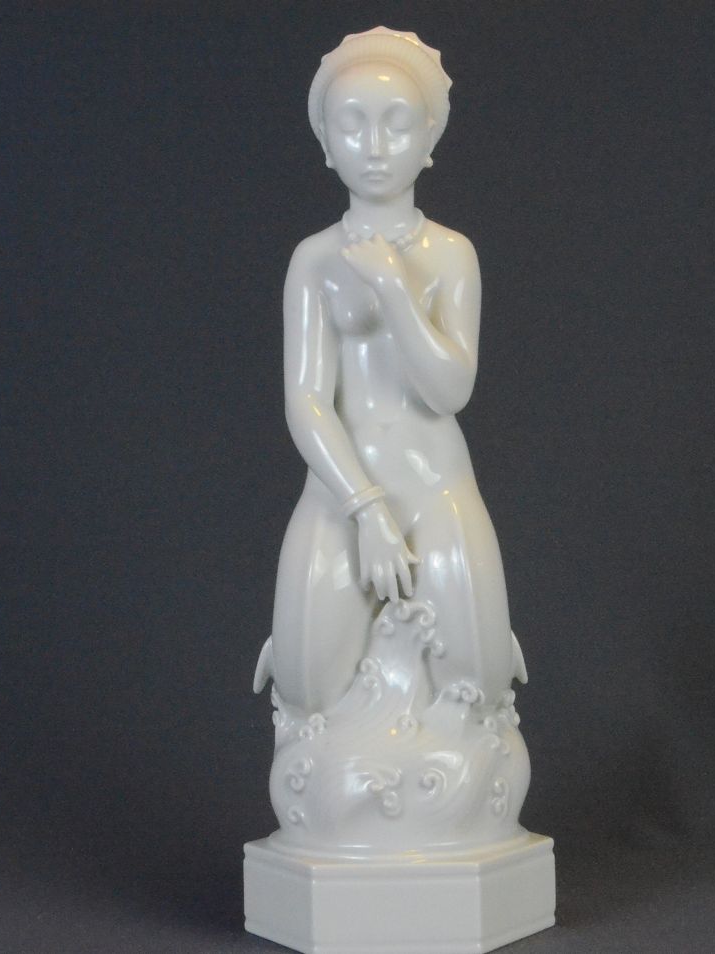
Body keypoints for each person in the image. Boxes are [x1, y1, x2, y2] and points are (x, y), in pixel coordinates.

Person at [256, 27, 526, 721]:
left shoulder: (451, 254)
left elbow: (450, 390)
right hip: (341, 490)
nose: (374, 147)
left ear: (429, 137)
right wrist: (366, 509)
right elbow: (306, 401)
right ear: (326, 143)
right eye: (353, 126)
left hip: (435, 483)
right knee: (305, 687)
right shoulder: (314, 260)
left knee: (478, 685)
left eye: (396, 125)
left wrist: (395, 288)